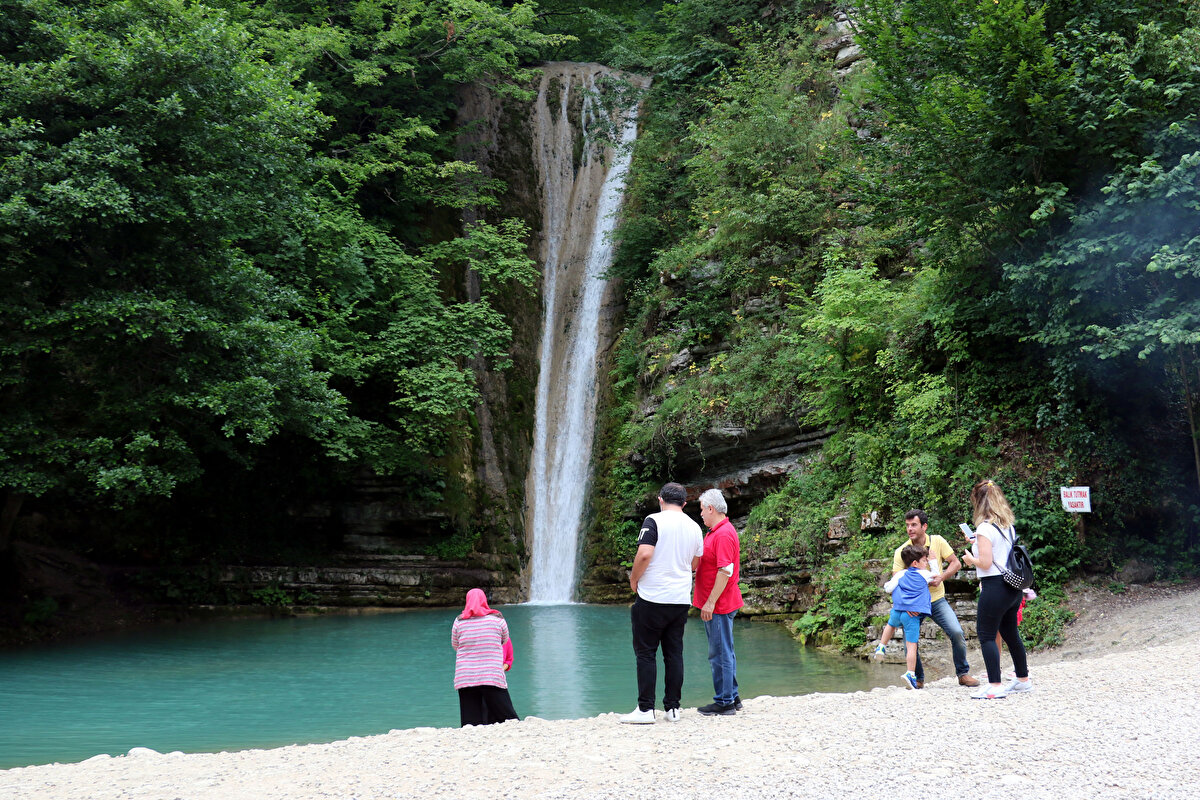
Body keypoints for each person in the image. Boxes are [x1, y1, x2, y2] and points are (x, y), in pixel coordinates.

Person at [622, 482, 704, 724]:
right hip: (679, 599)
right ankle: (673, 708)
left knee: (646, 653)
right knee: (674, 653)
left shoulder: (653, 520)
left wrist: (634, 580)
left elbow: (645, 553)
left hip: (652, 597)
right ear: (685, 504)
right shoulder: (694, 527)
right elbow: (695, 563)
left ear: (660, 500)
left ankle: (646, 709)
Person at [888, 510, 979, 688]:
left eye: (913, 525)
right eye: (907, 525)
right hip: (913, 605)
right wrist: (906, 605)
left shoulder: (937, 541)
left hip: (936, 600)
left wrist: (941, 577)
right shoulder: (902, 551)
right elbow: (895, 582)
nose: (909, 529)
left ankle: (963, 674)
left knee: (957, 632)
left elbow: (956, 563)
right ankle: (918, 679)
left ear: (924, 526)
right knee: (910, 643)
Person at [961, 480, 1033, 699]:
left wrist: (969, 558)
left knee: (986, 634)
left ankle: (995, 684)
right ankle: (1023, 679)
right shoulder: (1007, 526)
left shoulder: (984, 528)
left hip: (994, 586)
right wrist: (976, 541)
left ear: (979, 503)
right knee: (1011, 633)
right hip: (1013, 588)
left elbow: (985, 562)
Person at [694, 488, 744, 716]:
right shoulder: (719, 531)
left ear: (711, 508)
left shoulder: (723, 534)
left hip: (720, 604)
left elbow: (725, 570)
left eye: (702, 509)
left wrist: (710, 602)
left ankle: (724, 702)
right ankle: (732, 696)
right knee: (726, 650)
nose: (701, 514)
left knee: (719, 653)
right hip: (723, 602)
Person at [451, 588, 520, 726]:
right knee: (509, 718)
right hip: (491, 674)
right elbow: (505, 639)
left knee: (470, 722)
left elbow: (455, 645)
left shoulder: (459, 621)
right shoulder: (498, 619)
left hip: (466, 675)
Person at [874, 544, 932, 689]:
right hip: (911, 615)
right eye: (925, 561)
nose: (927, 563)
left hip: (897, 611)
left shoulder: (900, 574)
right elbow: (937, 578)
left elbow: (888, 588)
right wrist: (935, 561)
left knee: (890, 625)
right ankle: (910, 673)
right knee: (911, 645)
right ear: (915, 563)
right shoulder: (925, 574)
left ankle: (881, 646)